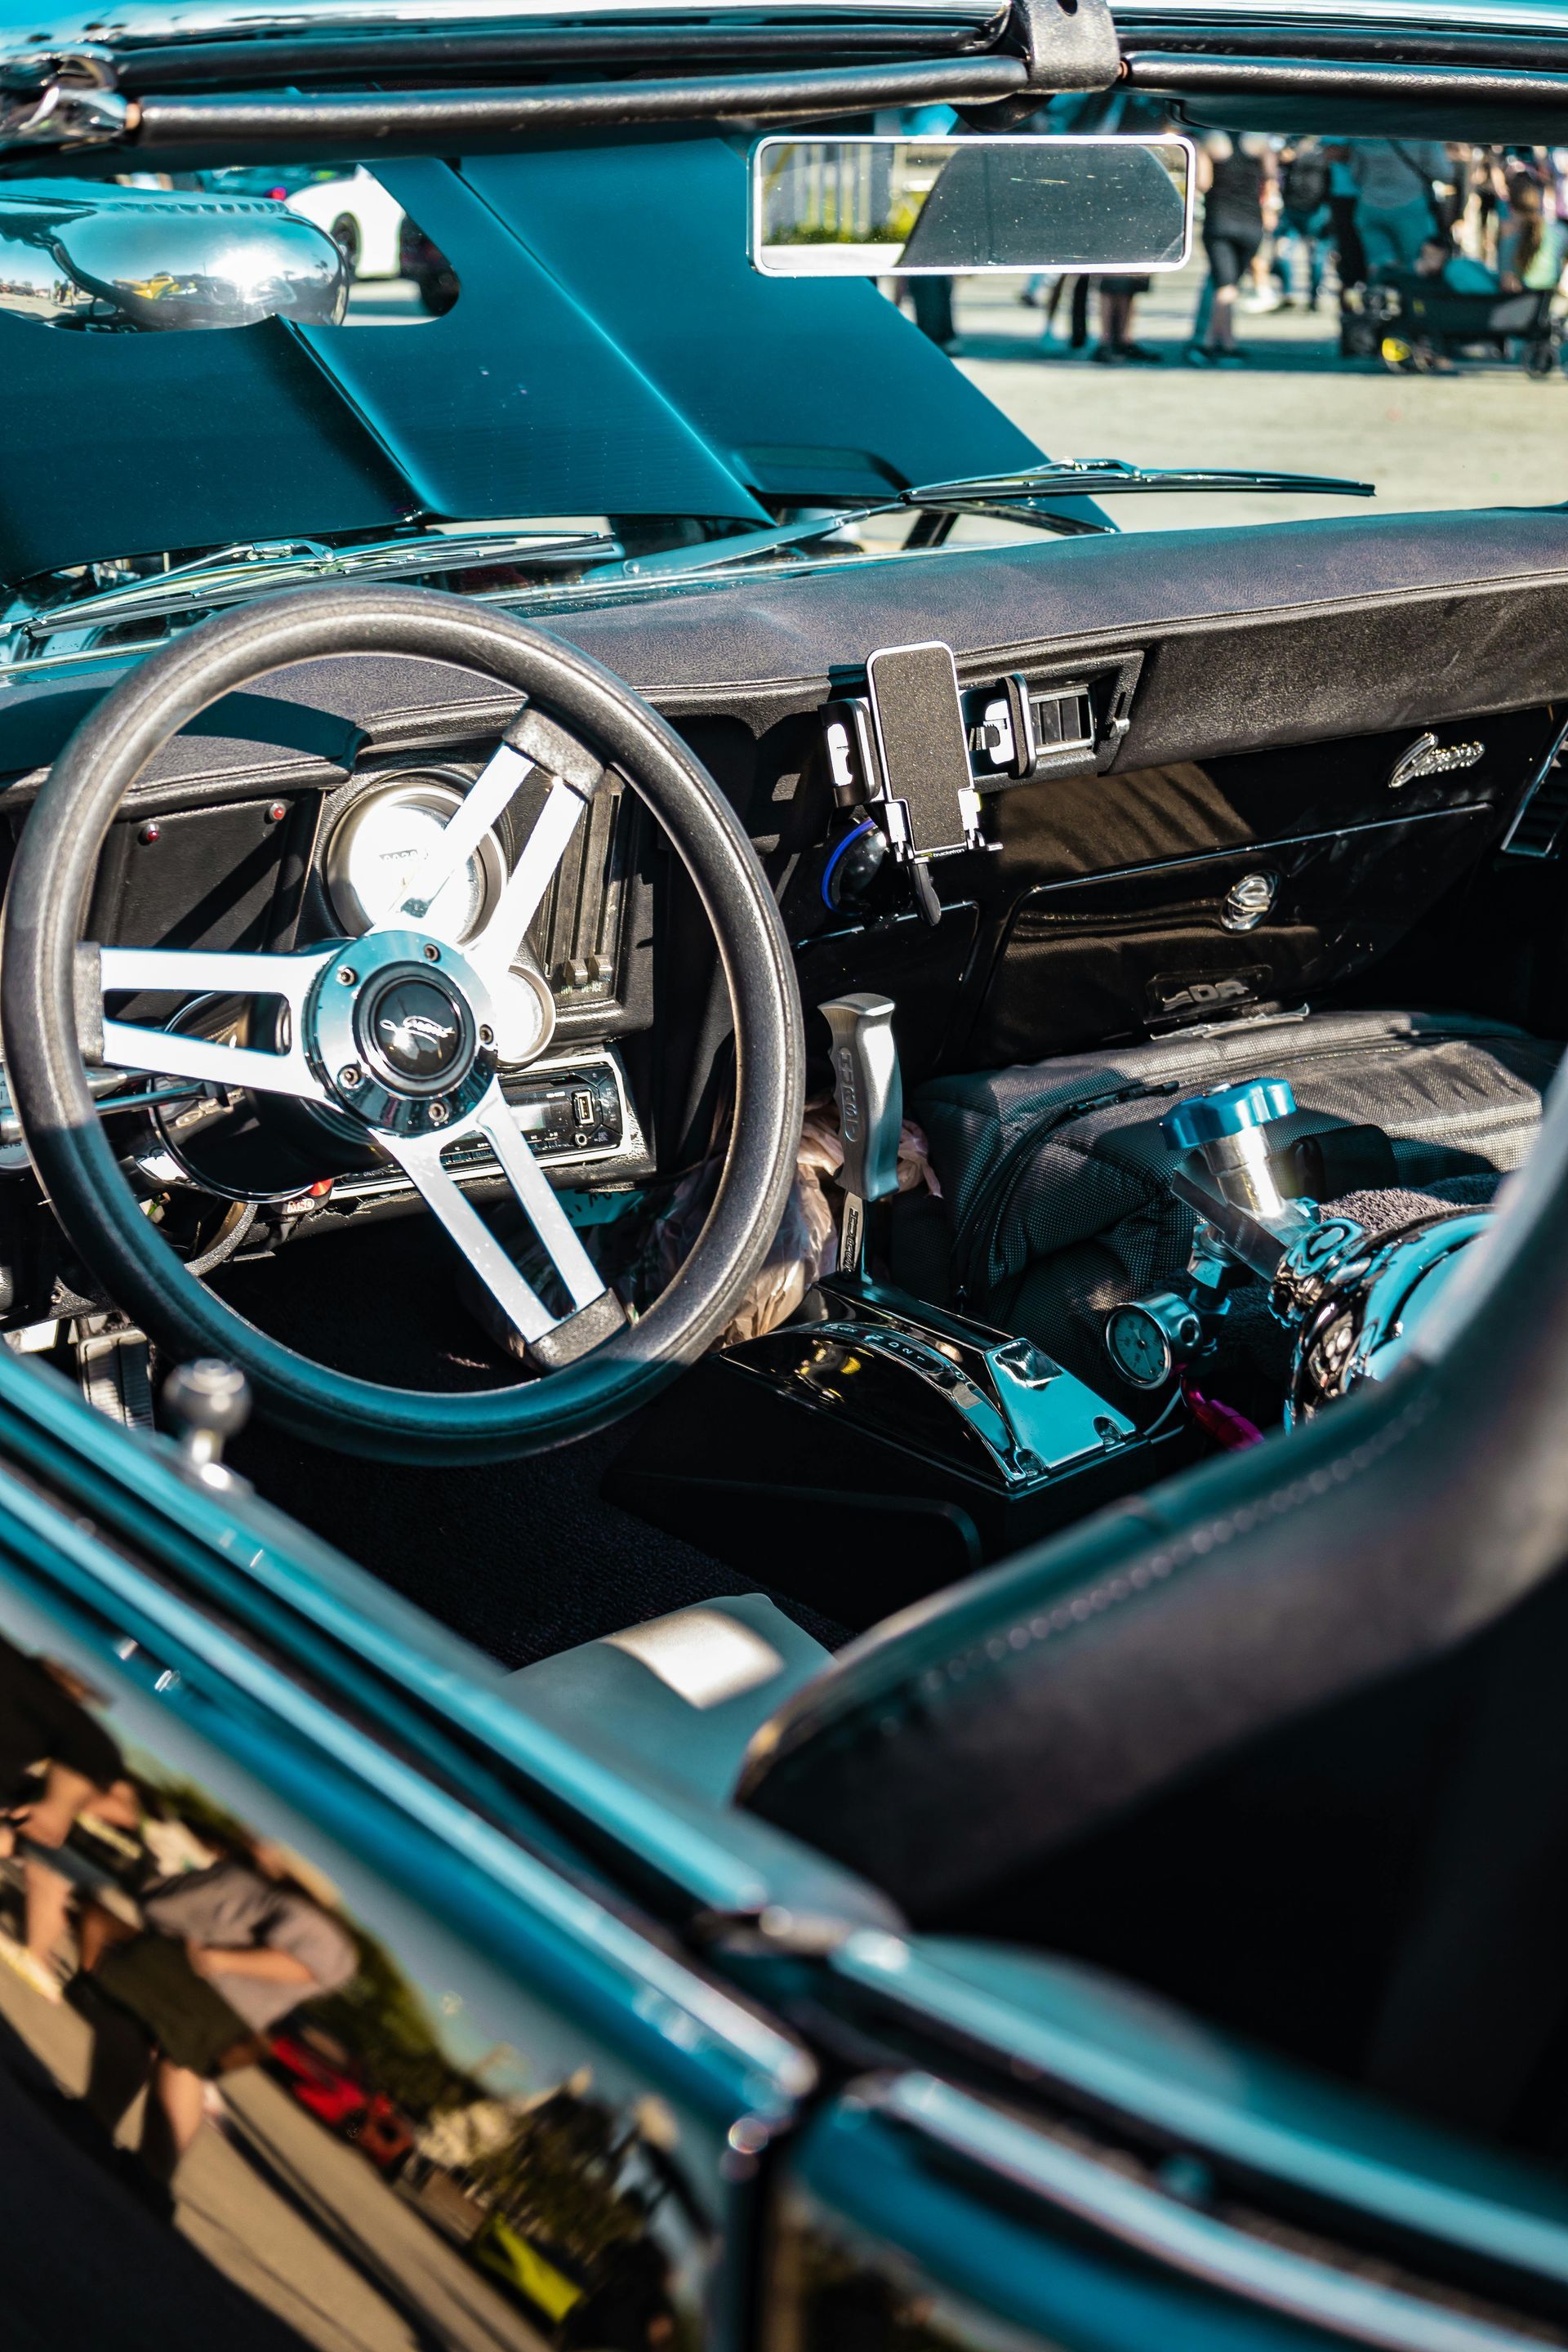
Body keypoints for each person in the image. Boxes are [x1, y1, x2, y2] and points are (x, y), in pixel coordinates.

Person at [71, 1833, 357, 2205]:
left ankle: (112, 2136)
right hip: (197, 1974)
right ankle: (137, 2161)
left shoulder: (314, 1917)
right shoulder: (282, 1892)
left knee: (142, 2031)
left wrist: (217, 1960)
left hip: (210, 1985)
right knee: (174, 2060)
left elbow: (305, 1966)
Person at [0, 1637, 123, 2002]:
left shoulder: (64, 1718)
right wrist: (57, 1806)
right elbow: (93, 1752)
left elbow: (92, 1752)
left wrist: (56, 1805)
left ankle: (38, 1956)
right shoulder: (67, 1719)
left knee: (45, 1876)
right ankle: (38, 1956)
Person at [1186, 133, 1269, 364]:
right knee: (1230, 284)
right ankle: (1223, 341)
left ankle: (1215, 344)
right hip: (1251, 222)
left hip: (1219, 221)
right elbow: (1270, 178)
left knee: (1224, 286)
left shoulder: (1211, 142)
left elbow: (1203, 183)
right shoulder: (1259, 143)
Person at [1349, 137, 1455, 275]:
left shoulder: (1363, 136)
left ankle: (1382, 287)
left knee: (1379, 265)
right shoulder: (1424, 136)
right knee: (1415, 265)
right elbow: (1443, 173)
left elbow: (1356, 174)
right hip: (1411, 208)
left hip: (1370, 206)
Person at [1276, 136, 1333, 310]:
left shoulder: (1323, 150)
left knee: (1316, 256)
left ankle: (1314, 296)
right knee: (1282, 252)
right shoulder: (1289, 148)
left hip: (1316, 211)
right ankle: (1288, 293)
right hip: (1291, 210)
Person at [1499, 177, 1568, 291]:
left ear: (1511, 208)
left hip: (1526, 297)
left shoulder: (1511, 237)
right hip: (1551, 293)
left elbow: (1506, 282)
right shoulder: (1560, 230)